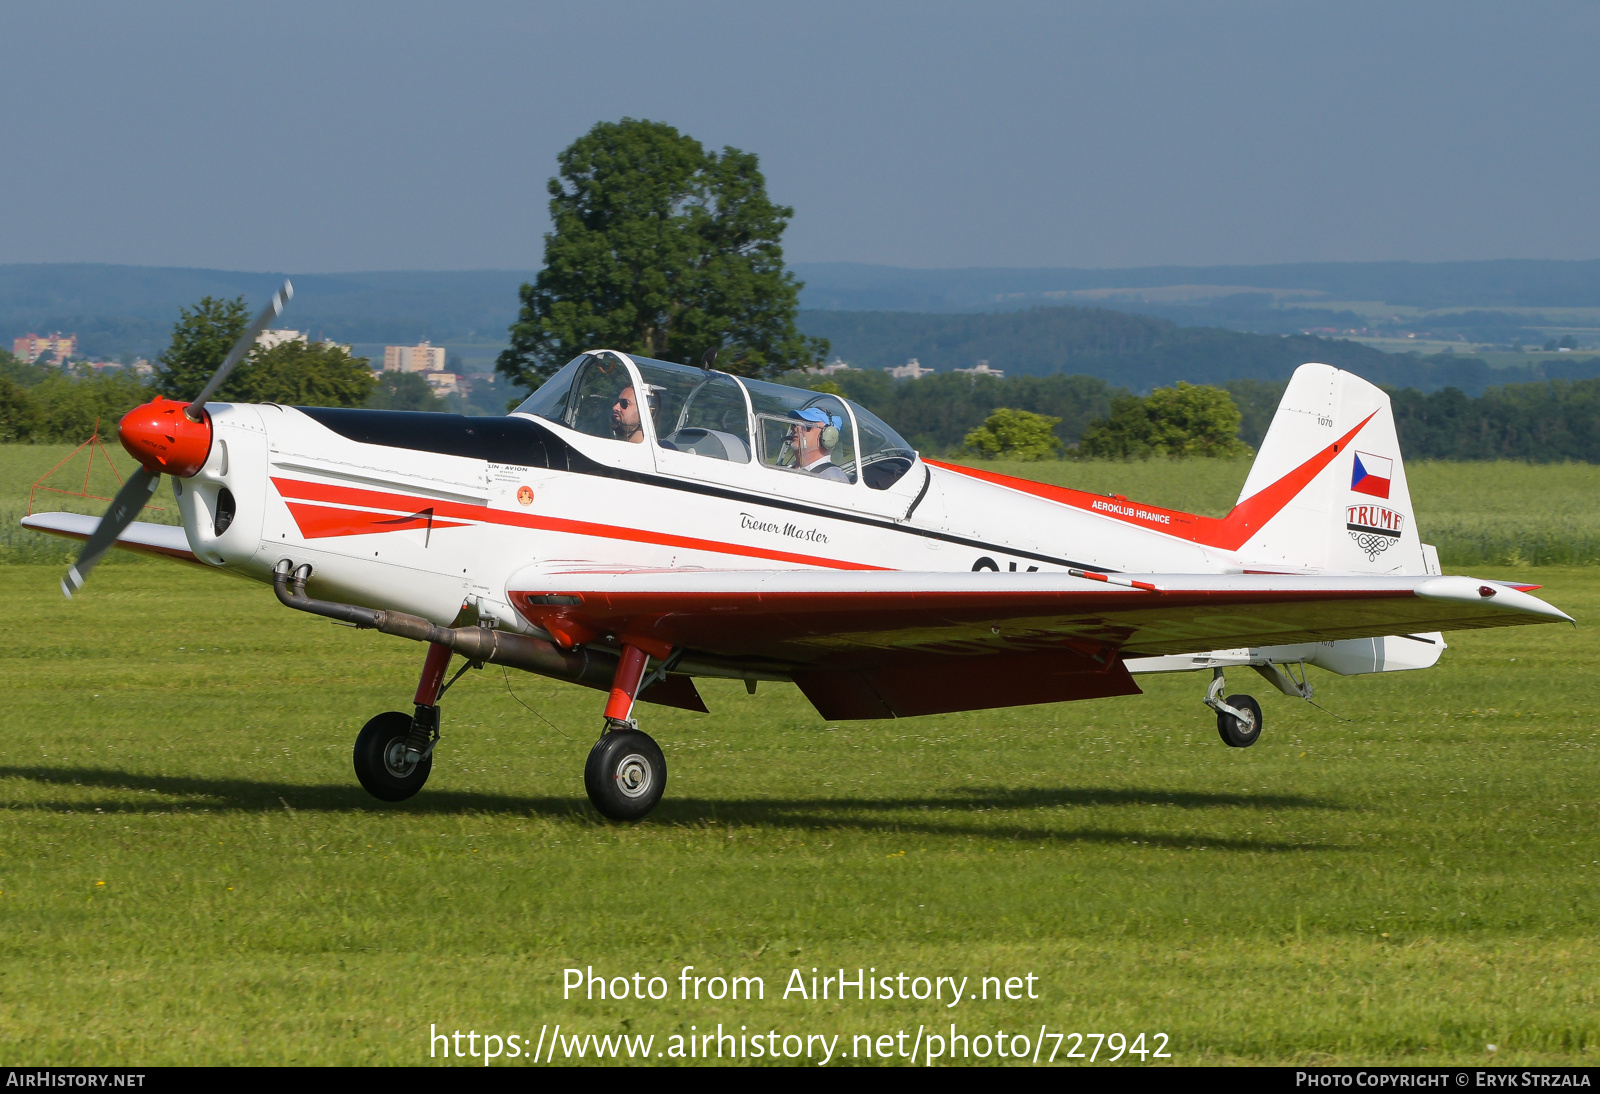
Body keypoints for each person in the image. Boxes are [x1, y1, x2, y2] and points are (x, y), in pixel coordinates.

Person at [784, 407, 850, 482]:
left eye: (806, 425)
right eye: (795, 425)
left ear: (828, 435)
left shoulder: (834, 479)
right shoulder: (785, 469)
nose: (796, 429)